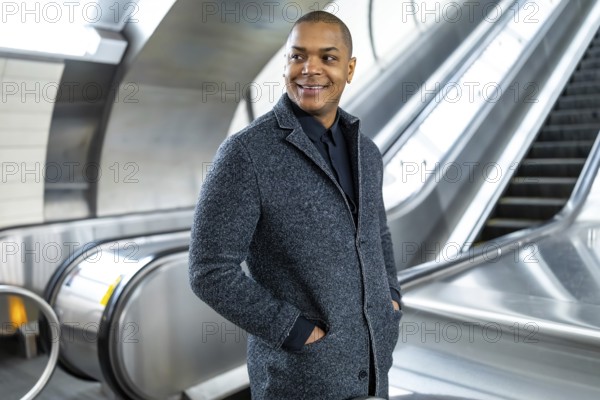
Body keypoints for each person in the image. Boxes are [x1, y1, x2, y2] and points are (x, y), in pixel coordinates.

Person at [189, 10, 402, 399]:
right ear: (285, 63)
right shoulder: (247, 154)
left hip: (372, 367)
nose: (310, 69)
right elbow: (209, 270)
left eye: (328, 57)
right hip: (299, 378)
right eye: (298, 56)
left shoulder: (366, 152)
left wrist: (391, 299)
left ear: (350, 69)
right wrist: (293, 330)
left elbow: (378, 233)